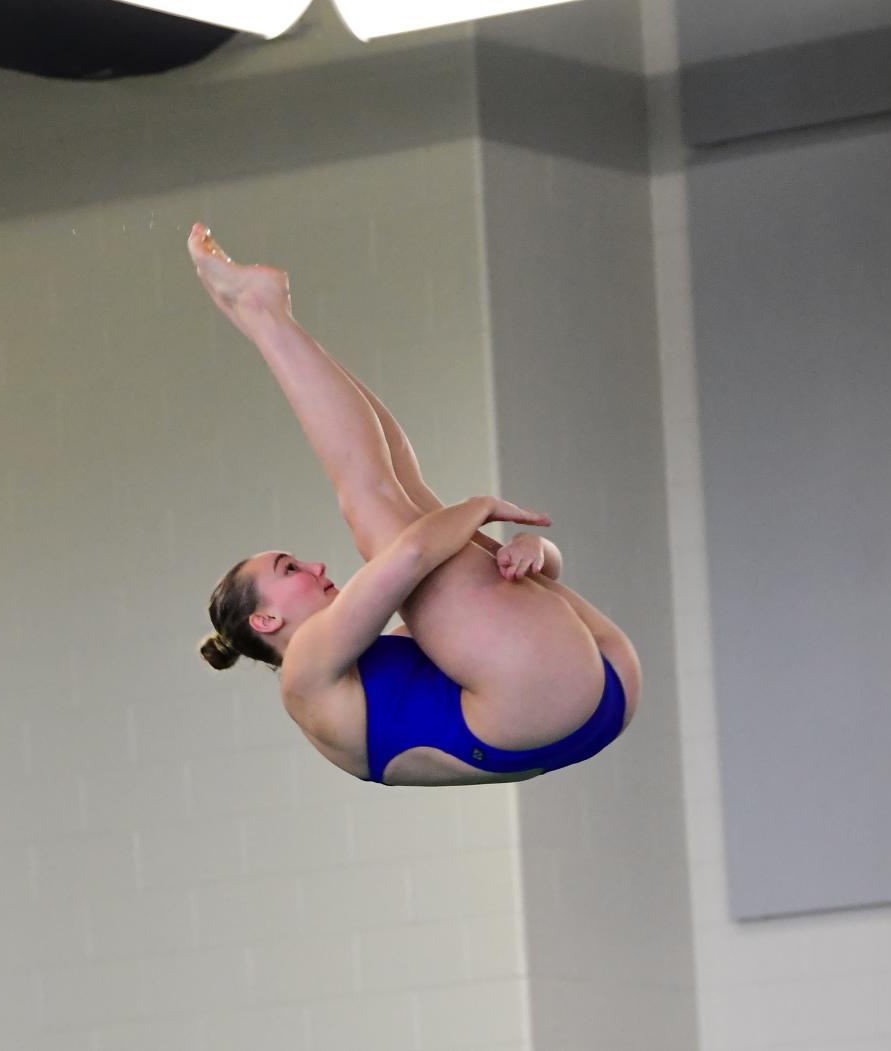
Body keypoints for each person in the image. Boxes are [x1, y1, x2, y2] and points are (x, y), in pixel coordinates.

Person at [190, 224, 641, 786]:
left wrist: (533, 554)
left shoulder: (388, 655)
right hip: (544, 704)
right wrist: (478, 507)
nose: (316, 566)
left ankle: (266, 322)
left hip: (587, 697)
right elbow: (405, 558)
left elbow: (529, 592)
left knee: (397, 481)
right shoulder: (304, 674)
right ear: (266, 619)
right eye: (291, 570)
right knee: (373, 502)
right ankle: (263, 316)